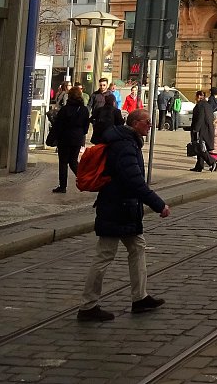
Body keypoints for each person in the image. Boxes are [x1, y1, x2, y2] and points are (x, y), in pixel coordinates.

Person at [76, 109, 170, 321]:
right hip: (117, 207)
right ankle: (88, 306)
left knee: (137, 247)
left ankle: (140, 298)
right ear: (135, 123)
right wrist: (159, 204)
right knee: (105, 255)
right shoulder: (125, 146)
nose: (150, 125)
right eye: (147, 121)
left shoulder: (127, 141)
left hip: (124, 207)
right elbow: (134, 181)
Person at [51, 87, 90, 193]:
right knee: (73, 161)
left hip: (65, 138)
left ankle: (62, 186)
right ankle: (84, 179)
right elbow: (86, 126)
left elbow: (58, 125)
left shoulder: (65, 109)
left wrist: (53, 137)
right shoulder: (84, 109)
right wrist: (81, 134)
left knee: (63, 162)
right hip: (77, 138)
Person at [189, 90, 217, 173]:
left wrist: (195, 129)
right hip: (207, 129)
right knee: (200, 147)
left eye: (196, 96)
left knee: (201, 148)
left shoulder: (200, 105)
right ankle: (199, 166)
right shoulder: (207, 105)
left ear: (199, 96)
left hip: (202, 130)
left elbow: (200, 118)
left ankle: (212, 162)